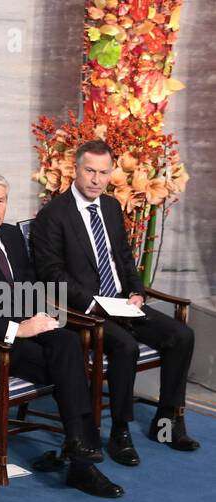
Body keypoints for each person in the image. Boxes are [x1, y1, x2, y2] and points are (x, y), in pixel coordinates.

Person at [0, 171, 123, 498]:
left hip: (27, 324)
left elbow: (30, 285)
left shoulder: (10, 236)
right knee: (71, 367)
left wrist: (44, 313)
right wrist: (18, 329)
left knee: (68, 340)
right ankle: (80, 457)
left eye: (1, 201)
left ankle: (77, 448)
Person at [30, 138, 199, 463]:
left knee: (181, 336)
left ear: (110, 174)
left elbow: (123, 257)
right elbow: (51, 275)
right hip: (85, 312)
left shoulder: (109, 206)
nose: (96, 179)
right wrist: (93, 303)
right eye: (90, 171)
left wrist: (137, 291)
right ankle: (120, 431)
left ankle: (167, 422)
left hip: (123, 302)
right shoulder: (53, 215)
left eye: (103, 172)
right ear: (75, 170)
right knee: (125, 347)